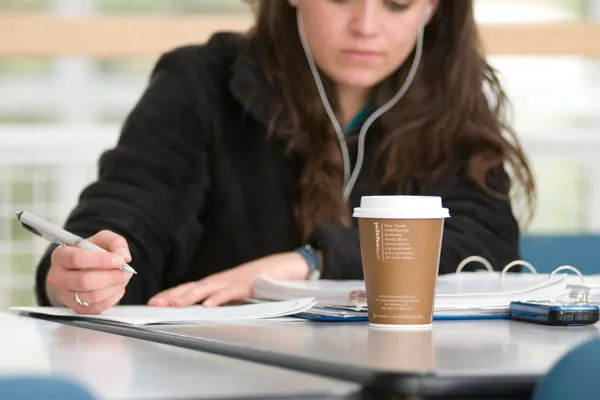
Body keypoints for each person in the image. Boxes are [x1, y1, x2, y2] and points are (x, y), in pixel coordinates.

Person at [35, 0, 535, 315]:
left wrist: (309, 262)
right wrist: (81, 276)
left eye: (397, 4)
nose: (365, 26)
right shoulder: (199, 83)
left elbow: (486, 240)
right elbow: (128, 212)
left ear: (431, 9)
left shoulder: (452, 96)